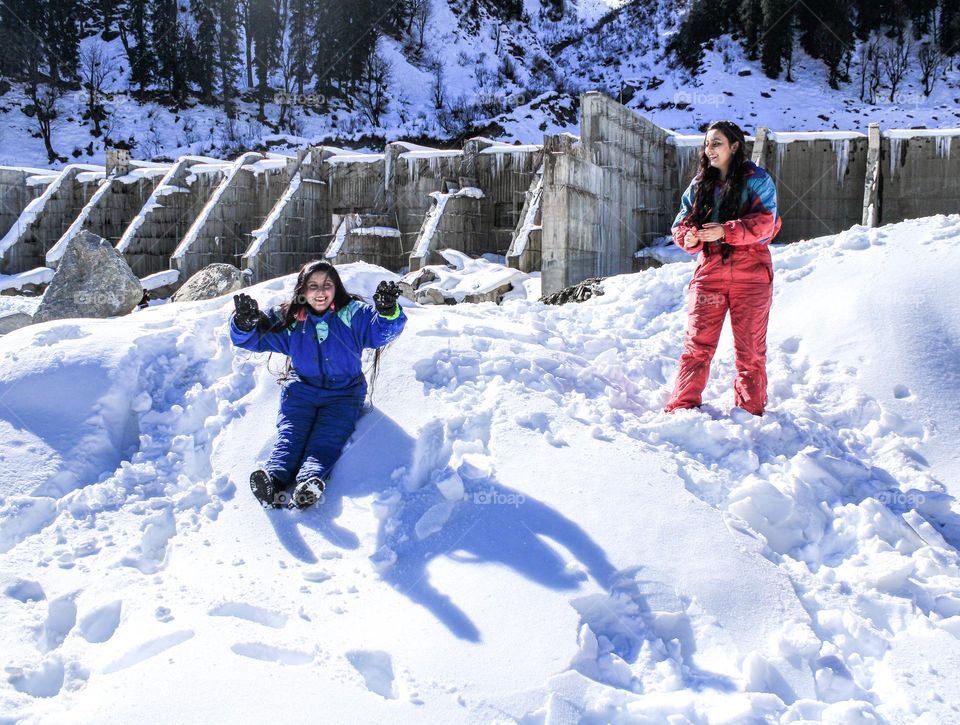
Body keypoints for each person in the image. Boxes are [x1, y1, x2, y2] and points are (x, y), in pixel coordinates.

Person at [229, 260, 406, 509]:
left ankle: (309, 482)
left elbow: (381, 332)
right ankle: (273, 479)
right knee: (291, 434)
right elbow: (254, 338)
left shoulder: (353, 314)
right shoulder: (290, 318)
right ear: (302, 290)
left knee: (327, 438)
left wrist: (388, 312)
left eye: (327, 285)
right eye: (313, 286)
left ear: (336, 288)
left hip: (343, 394)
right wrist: (244, 323)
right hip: (301, 390)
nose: (320, 292)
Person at [664, 120, 781, 416]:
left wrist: (726, 231)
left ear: (734, 146)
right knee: (697, 344)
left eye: (716, 143)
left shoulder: (758, 180)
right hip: (710, 274)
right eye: (707, 144)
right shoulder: (700, 183)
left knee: (750, 351)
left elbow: (767, 226)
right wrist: (687, 236)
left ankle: (750, 411)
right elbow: (680, 223)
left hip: (751, 275)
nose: (709, 149)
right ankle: (683, 406)